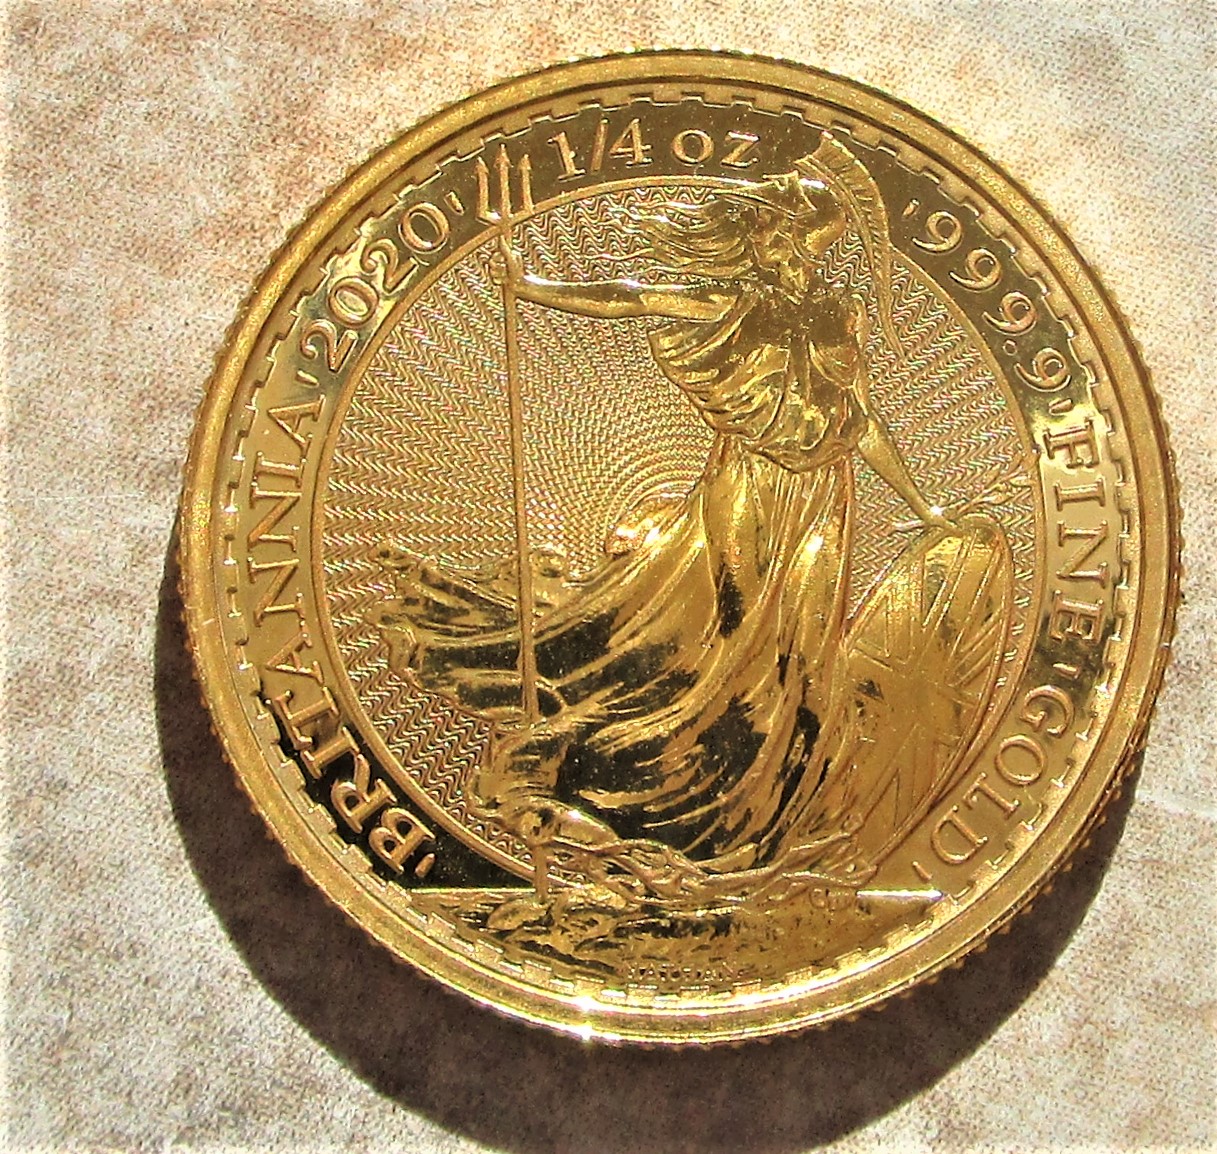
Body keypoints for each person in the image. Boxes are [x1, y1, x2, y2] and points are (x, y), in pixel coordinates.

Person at [375, 133, 952, 889]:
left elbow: (861, 417)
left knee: (801, 655)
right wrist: (532, 285)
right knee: (727, 642)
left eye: (812, 242)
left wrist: (922, 506)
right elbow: (632, 297)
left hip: (822, 498)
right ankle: (661, 796)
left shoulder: (838, 314)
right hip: (748, 487)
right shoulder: (732, 301)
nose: (796, 253)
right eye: (789, 237)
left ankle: (765, 821)